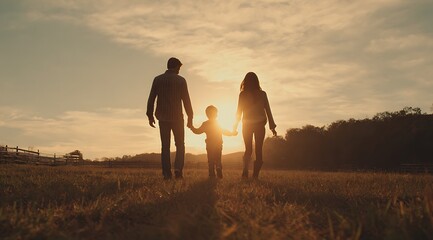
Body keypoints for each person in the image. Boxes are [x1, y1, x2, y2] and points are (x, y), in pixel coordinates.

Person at [146, 57, 193, 179]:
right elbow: (186, 100)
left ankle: (167, 173)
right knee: (180, 145)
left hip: (163, 117)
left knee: (165, 146)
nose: (179, 70)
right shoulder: (181, 81)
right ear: (176, 67)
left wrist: (150, 115)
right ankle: (178, 169)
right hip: (177, 117)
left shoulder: (157, 79)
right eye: (179, 68)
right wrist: (190, 117)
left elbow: (151, 99)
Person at [233, 72, 277, 179]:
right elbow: (268, 111)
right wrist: (272, 127)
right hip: (259, 126)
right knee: (258, 150)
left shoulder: (242, 94)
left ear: (245, 81)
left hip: (247, 125)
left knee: (248, 149)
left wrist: (235, 125)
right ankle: (255, 175)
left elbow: (239, 111)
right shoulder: (262, 94)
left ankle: (245, 171)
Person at [190, 105, 237, 179]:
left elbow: (198, 131)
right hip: (218, 144)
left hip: (209, 145)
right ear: (216, 114)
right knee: (218, 158)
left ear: (207, 114)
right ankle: (218, 169)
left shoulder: (205, 124)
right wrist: (232, 133)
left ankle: (211, 174)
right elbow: (225, 131)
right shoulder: (218, 123)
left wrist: (192, 128)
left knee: (210, 160)